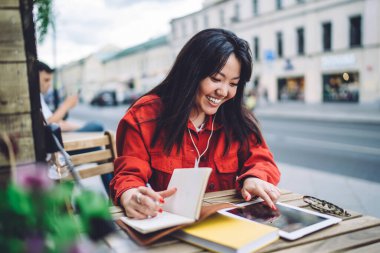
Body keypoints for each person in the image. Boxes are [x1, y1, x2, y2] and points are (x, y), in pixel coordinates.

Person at [110, 29, 281, 219]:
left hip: (224, 223)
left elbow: (261, 159)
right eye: (216, 79)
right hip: (170, 227)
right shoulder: (144, 115)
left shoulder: (237, 119)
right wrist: (131, 195)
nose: (223, 92)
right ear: (191, 72)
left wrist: (254, 178)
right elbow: (129, 174)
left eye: (233, 84)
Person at [37, 61, 103, 132]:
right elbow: (48, 123)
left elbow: (56, 122)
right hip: (53, 138)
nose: (49, 84)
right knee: (97, 126)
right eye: (46, 80)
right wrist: (67, 105)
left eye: (50, 80)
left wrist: (80, 127)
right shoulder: (35, 98)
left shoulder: (39, 96)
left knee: (96, 126)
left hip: (59, 134)